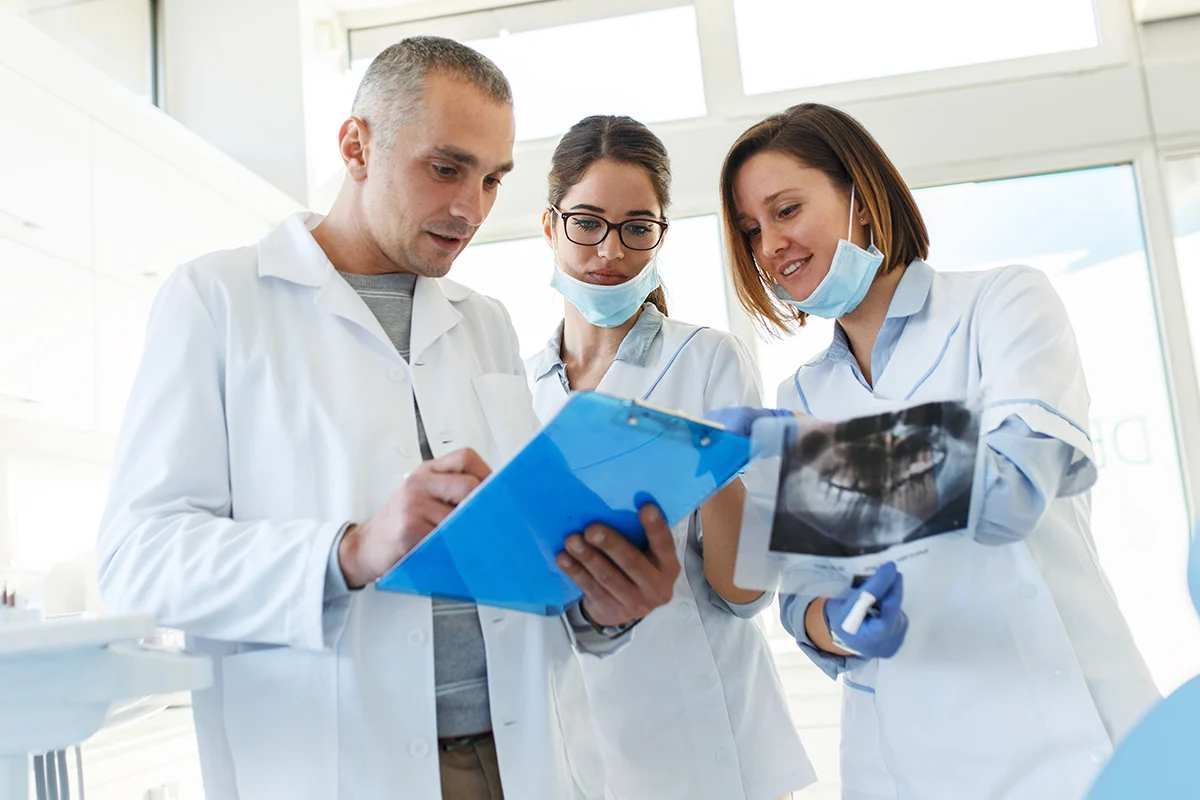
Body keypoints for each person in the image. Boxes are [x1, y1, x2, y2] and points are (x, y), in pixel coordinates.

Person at [95, 38, 681, 800]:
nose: (471, 207)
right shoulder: (221, 301)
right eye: (446, 168)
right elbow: (135, 558)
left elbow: (514, 568)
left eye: (493, 178)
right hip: (341, 767)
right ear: (357, 145)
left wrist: (603, 604)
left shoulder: (486, 323)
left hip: (523, 758)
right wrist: (349, 551)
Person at [707, 102, 1160, 799]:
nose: (770, 245)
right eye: (750, 230)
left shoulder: (1001, 305)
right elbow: (803, 605)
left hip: (1066, 747)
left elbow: (1012, 491)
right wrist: (845, 625)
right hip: (901, 761)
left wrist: (823, 458)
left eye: (787, 209)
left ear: (861, 198)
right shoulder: (801, 394)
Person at [526, 115, 814, 800]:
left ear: (659, 237)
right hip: (582, 741)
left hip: (706, 735)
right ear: (549, 226)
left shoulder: (706, 358)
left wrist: (699, 464)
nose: (609, 250)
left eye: (636, 227)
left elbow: (745, 593)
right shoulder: (519, 390)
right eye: (588, 222)